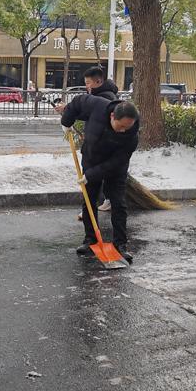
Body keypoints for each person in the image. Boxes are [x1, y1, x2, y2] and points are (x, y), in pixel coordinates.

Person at [55, 95, 140, 263]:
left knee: (118, 203)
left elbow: (118, 161)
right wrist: (66, 121)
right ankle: (90, 240)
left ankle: (120, 245)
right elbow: (76, 103)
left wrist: (92, 175)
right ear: (112, 116)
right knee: (89, 200)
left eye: (127, 128)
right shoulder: (97, 106)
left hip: (115, 168)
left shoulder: (132, 135)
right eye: (121, 126)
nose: (124, 131)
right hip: (91, 159)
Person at [82, 67, 118, 213]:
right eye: (85, 83)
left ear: (98, 81)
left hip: (101, 146)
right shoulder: (99, 95)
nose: (87, 86)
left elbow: (100, 119)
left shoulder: (106, 97)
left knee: (94, 177)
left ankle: (90, 210)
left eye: (89, 83)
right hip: (97, 144)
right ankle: (96, 205)